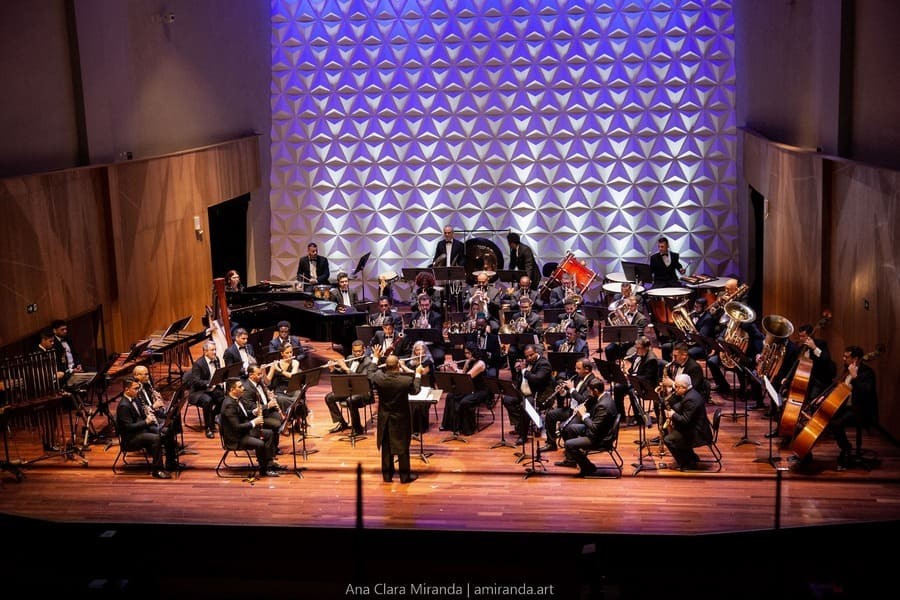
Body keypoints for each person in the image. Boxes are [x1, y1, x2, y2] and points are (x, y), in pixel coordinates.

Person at [370, 355, 425, 484]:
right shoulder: (405, 380)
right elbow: (415, 390)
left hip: (384, 417)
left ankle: (387, 476)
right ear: (398, 366)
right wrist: (417, 374)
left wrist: (375, 358)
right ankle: (404, 477)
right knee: (402, 446)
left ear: (386, 366)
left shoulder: (379, 377)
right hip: (401, 417)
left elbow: (370, 372)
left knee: (387, 445)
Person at [830, 345, 878, 470]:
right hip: (847, 407)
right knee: (828, 420)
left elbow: (866, 391)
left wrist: (855, 377)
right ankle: (845, 448)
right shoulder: (847, 370)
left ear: (855, 358)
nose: (843, 358)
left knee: (836, 424)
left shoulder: (867, 372)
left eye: (846, 356)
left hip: (861, 410)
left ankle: (846, 449)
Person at [557, 379, 618, 477]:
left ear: (596, 391)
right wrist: (586, 411)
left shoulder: (603, 405)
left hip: (600, 437)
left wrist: (583, 415)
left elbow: (594, 428)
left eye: (590, 391)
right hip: (600, 430)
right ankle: (575, 458)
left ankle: (588, 468)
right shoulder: (604, 397)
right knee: (569, 428)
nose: (589, 394)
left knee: (568, 444)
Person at [219, 378, 279, 477]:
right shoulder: (228, 405)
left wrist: (253, 412)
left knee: (269, 433)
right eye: (240, 387)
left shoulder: (237, 399)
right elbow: (237, 427)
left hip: (244, 432)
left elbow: (243, 414)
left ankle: (269, 463)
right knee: (260, 443)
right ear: (232, 390)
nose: (243, 388)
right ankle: (263, 470)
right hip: (236, 438)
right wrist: (254, 422)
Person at [115, 377, 171, 479]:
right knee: (155, 438)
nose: (138, 391)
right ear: (127, 390)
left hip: (141, 431)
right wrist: (146, 422)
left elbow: (142, 414)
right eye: (135, 389)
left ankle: (171, 463)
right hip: (131, 439)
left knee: (167, 431)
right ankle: (157, 470)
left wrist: (150, 412)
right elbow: (128, 428)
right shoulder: (123, 406)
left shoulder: (135, 399)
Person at [541, 357, 597, 452]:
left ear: (587, 369)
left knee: (564, 427)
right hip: (572, 410)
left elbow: (582, 400)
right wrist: (563, 392)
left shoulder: (592, 382)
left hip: (581, 413)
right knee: (550, 415)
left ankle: (572, 451)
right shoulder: (578, 377)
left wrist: (571, 388)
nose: (576, 371)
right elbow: (573, 395)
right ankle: (551, 443)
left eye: (578, 369)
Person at [503, 344, 553, 445]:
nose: (529, 358)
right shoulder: (527, 363)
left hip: (539, 395)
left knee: (526, 405)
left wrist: (524, 371)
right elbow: (520, 379)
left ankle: (523, 435)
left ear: (537, 353)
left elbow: (537, 379)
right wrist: (518, 371)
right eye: (527, 356)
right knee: (507, 399)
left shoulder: (544, 364)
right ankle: (519, 425)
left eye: (531, 355)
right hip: (525, 392)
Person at [132, 365, 180, 471]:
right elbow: (141, 411)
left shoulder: (147, 386)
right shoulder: (135, 391)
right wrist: (154, 406)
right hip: (147, 422)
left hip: (155, 414)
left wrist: (157, 399)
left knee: (174, 417)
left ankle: (171, 459)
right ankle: (169, 459)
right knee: (167, 430)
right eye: (144, 374)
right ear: (136, 376)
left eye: (147, 373)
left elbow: (149, 404)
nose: (147, 376)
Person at [662, 374, 713, 470]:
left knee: (668, 439)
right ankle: (691, 457)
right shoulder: (689, 393)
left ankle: (686, 464)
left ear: (683, 387)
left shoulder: (691, 399)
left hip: (697, 433)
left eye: (676, 387)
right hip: (694, 426)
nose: (675, 388)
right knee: (669, 433)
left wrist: (673, 414)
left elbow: (685, 420)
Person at [325, 340, 375, 435]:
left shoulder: (368, 362)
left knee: (350, 400)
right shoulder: (350, 358)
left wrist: (346, 369)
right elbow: (342, 374)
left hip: (364, 392)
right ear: (352, 350)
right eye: (355, 351)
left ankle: (357, 428)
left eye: (359, 351)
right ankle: (342, 423)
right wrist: (333, 369)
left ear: (364, 350)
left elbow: (361, 378)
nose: (357, 353)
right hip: (349, 389)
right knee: (329, 397)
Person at [439, 344, 490, 437]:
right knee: (450, 396)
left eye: (468, 353)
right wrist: (453, 369)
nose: (466, 355)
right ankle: (451, 425)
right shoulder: (468, 361)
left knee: (464, 402)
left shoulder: (480, 363)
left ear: (474, 352)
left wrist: (455, 368)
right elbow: (462, 374)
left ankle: (467, 428)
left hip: (479, 390)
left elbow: (467, 378)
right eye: (465, 353)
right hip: (469, 388)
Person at [613, 335, 659, 424]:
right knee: (617, 387)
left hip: (646, 385)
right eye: (636, 347)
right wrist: (626, 372)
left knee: (632, 391)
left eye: (639, 348)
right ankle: (621, 416)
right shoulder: (637, 355)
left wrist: (630, 377)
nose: (636, 350)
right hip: (635, 381)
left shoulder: (651, 359)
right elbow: (633, 370)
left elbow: (647, 378)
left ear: (646, 348)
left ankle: (640, 418)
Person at [189, 341, 225, 438]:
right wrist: (209, 383)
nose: (214, 352)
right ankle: (208, 427)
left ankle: (212, 416)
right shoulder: (198, 364)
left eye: (215, 349)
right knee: (207, 401)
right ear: (205, 352)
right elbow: (195, 381)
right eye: (212, 350)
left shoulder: (216, 359)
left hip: (212, 388)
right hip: (198, 391)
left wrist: (220, 380)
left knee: (224, 398)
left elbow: (218, 373)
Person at [403, 340, 435, 436]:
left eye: (421, 350)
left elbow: (420, 373)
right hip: (414, 387)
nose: (419, 352)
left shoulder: (428, 362)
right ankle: (411, 427)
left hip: (427, 388)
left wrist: (403, 367)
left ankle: (420, 428)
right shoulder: (411, 362)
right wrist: (400, 367)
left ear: (425, 350)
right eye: (417, 350)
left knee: (418, 404)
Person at [603, 296, 647, 363]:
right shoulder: (624, 314)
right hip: (622, 341)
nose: (629, 308)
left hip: (633, 344)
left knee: (629, 355)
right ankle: (613, 370)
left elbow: (637, 336)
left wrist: (626, 323)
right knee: (608, 349)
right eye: (628, 305)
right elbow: (612, 326)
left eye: (632, 306)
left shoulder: (641, 319)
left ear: (636, 306)